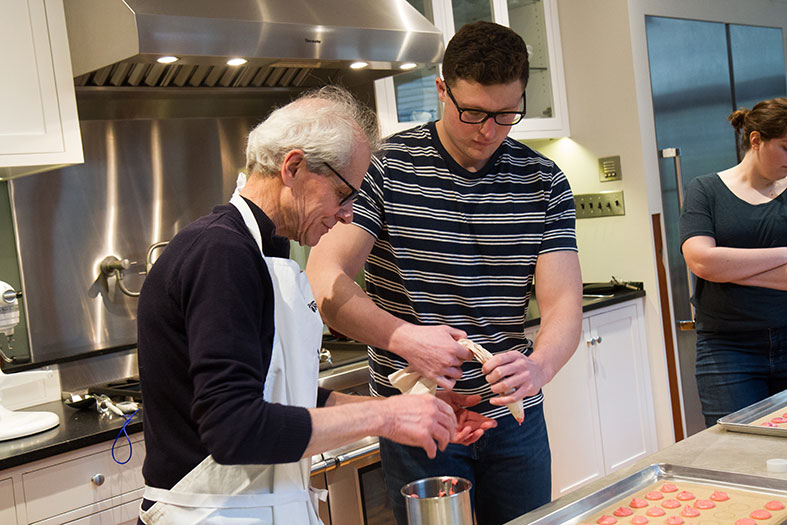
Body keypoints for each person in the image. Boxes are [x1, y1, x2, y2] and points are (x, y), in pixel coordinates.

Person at [135, 86, 496, 525]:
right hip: (212, 513)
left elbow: (286, 399)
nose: (348, 214)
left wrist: (412, 415)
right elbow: (235, 430)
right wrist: (386, 414)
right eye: (345, 195)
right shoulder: (221, 253)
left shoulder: (264, 252)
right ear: (293, 167)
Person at [306, 22, 582, 525]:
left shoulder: (544, 181)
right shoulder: (385, 168)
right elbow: (325, 279)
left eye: (506, 114)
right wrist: (407, 339)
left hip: (514, 420)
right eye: (473, 111)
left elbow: (564, 306)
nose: (488, 130)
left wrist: (538, 368)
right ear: (440, 90)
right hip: (417, 418)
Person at [680, 97, 787, 428]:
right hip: (727, 349)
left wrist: (727, 270)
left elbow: (713, 265)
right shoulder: (706, 190)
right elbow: (700, 260)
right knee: (734, 453)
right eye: (785, 147)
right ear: (756, 140)